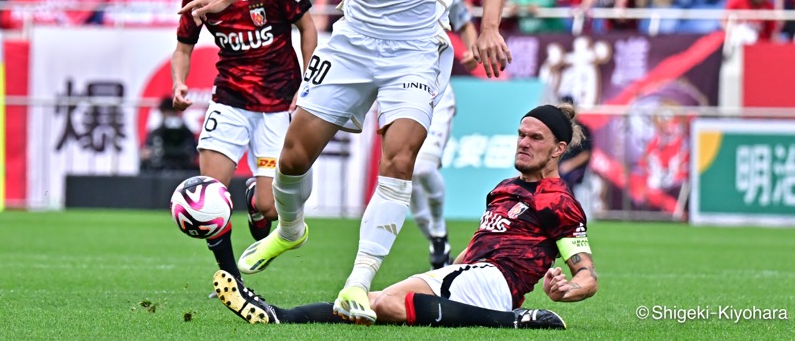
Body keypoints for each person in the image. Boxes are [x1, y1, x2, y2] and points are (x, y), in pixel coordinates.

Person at [179, 0, 511, 325]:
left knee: (399, 157)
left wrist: (488, 28)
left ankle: (359, 280)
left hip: (415, 50)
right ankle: (290, 231)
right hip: (354, 43)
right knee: (292, 157)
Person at [210, 102, 597, 330]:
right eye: (521, 134)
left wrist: (568, 290)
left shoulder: (557, 199)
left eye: (536, 138)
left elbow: (586, 276)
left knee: (386, 306)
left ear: (559, 149)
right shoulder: (505, 188)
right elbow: (479, 247)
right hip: (469, 273)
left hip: (497, 283)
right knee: (367, 302)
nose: (523, 143)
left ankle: (514, 321)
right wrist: (450, 267)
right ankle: (281, 317)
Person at [172, 0, 318, 286]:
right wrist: (179, 83)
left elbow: (307, 27)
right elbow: (183, 47)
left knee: (270, 207)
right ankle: (229, 279)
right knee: (208, 197)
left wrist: (307, 82)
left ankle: (256, 203)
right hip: (230, 101)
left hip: (276, 105)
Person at [411, 0, 478, 270]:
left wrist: (474, 47)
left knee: (422, 169)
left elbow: (464, 20)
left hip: (436, 95)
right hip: (396, 94)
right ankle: (437, 241)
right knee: (402, 179)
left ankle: (438, 231)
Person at [139, 96, 198, 173]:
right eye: (166, 112)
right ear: (162, 113)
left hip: (183, 168)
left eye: (172, 112)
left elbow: (193, 153)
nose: (169, 115)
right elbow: (146, 151)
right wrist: (149, 153)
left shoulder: (186, 132)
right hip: (160, 169)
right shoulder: (156, 133)